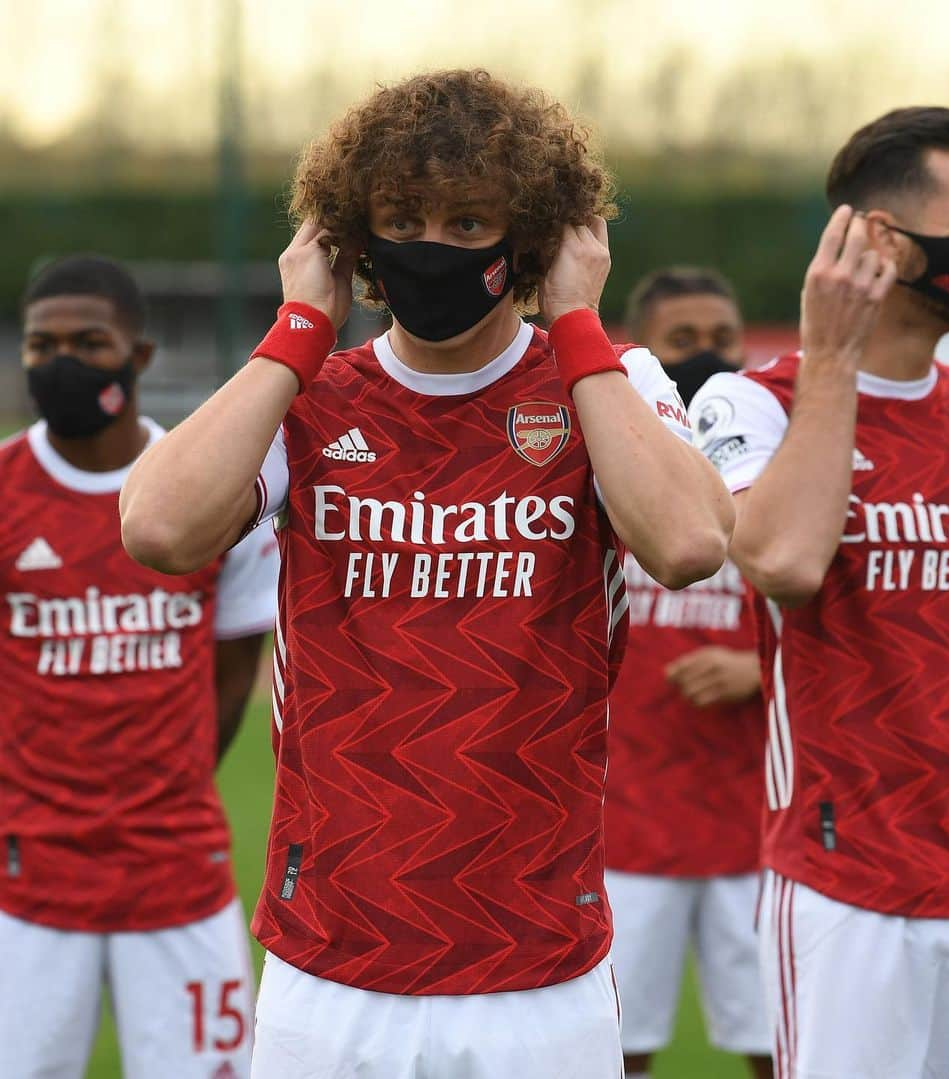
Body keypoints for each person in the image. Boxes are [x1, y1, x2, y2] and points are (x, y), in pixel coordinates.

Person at [119, 69, 734, 1079]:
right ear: (352, 238)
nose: (432, 247)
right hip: (331, 960)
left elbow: (688, 542)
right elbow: (157, 526)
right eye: (401, 217)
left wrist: (579, 325)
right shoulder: (311, 394)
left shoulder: (602, 383)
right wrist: (298, 331)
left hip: (538, 964)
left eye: (468, 219)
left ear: (528, 239)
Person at [690, 106, 949, 1078]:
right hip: (850, 885)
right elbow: (780, 561)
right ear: (884, 243)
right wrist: (832, 358)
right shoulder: (749, 402)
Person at [0, 255, 279, 1078]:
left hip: (178, 870)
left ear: (139, 356)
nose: (63, 363)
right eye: (41, 346)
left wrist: (168, 782)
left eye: (90, 342)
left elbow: (235, 670)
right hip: (28, 879)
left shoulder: (205, 487)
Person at [605, 267, 771, 1079]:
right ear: (647, 357)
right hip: (623, 830)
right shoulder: (610, 466)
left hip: (759, 830)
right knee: (616, 1050)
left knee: (782, 1045)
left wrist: (759, 668)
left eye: (723, 341)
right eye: (683, 344)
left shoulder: (775, 465)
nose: (708, 356)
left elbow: (848, 629)